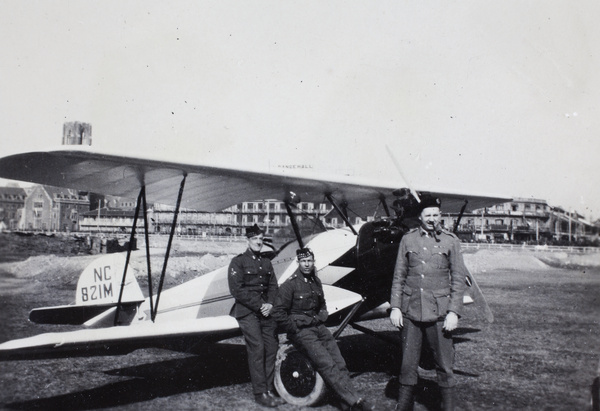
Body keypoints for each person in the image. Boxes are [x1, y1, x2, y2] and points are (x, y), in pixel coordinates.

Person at [272, 247, 376, 411]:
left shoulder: (316, 282)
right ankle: (355, 402)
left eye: (310, 261)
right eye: (304, 261)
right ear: (298, 263)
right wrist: (294, 328)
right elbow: (278, 312)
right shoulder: (289, 285)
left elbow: (322, 304)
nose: (307, 264)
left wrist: (322, 316)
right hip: (303, 331)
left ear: (313, 262)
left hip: (319, 327)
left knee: (340, 363)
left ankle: (344, 401)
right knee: (327, 364)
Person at [389, 196, 467, 411]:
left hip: (440, 312)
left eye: (436, 214)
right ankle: (404, 407)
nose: (432, 219)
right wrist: (395, 306)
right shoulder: (408, 239)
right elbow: (399, 275)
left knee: (444, 364)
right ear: (420, 217)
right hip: (411, 310)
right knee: (407, 364)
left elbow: (458, 279)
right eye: (428, 215)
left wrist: (454, 312)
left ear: (440, 215)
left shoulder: (451, 240)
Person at [228, 224, 283, 408]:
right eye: (254, 239)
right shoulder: (238, 262)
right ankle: (260, 393)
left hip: (265, 311)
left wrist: (270, 304)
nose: (258, 242)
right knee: (257, 348)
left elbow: (274, 286)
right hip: (246, 311)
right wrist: (261, 305)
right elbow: (237, 290)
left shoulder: (266, 262)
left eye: (261, 239)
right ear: (247, 241)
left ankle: (268, 389)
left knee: (272, 346)